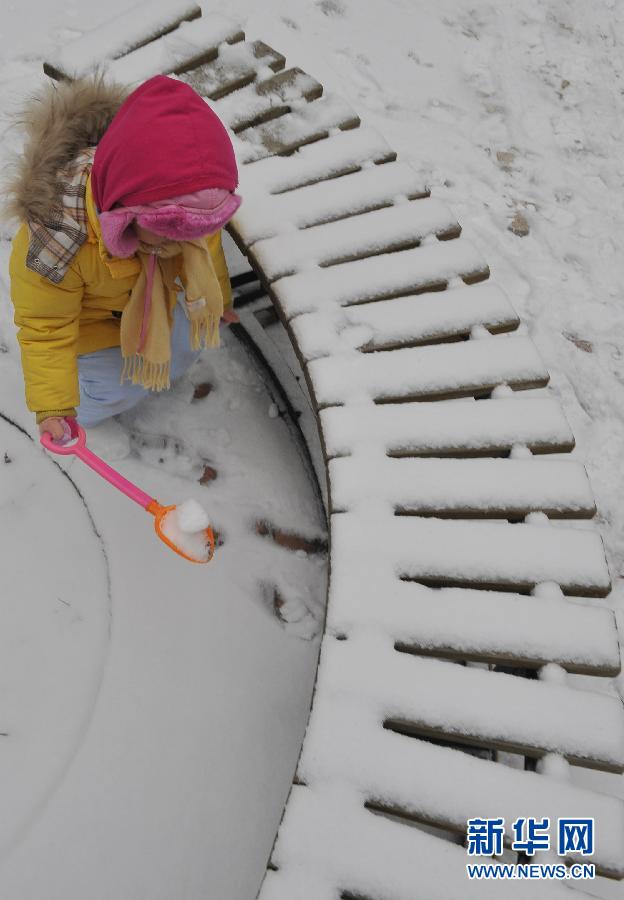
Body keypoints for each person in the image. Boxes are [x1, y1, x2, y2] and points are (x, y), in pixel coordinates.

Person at [5, 73, 242, 456]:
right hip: (88, 325)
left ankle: (151, 369)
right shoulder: (58, 238)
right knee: (116, 389)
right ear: (121, 212)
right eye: (165, 235)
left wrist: (220, 299)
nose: (179, 244)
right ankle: (87, 406)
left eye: (189, 234)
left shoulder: (185, 215)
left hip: (147, 302)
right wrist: (54, 406)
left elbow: (207, 250)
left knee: (186, 345)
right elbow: (46, 327)